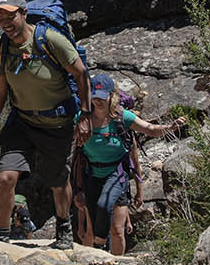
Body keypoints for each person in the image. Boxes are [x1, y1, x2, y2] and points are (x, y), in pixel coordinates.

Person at [0, 0, 90, 251]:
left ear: (23, 14)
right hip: (22, 121)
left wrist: (85, 116)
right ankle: (1, 236)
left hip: (56, 123)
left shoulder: (49, 40)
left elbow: (81, 75)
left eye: (10, 16)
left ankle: (64, 228)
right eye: (0, 18)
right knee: (5, 177)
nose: (6, 23)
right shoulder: (1, 48)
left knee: (57, 180)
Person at [71, 73, 182, 255]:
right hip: (90, 174)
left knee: (106, 207)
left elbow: (150, 129)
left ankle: (104, 253)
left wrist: (170, 128)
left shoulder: (122, 118)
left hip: (116, 172)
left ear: (111, 96)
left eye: (102, 97)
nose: (98, 101)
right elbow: (72, 142)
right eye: (95, 97)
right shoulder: (82, 118)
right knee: (94, 215)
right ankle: (99, 255)